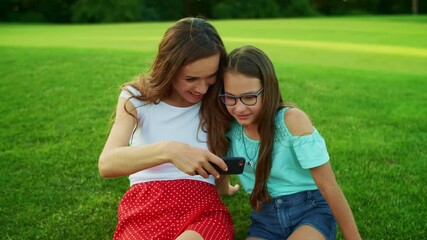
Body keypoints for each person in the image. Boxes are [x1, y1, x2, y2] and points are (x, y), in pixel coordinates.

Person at [98, 17, 238, 240]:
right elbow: (107, 163)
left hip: (202, 208)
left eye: (210, 77)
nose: (202, 88)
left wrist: (223, 185)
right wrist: (170, 151)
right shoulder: (136, 98)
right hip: (146, 205)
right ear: (169, 68)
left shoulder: (218, 99)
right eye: (191, 78)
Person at [205, 45, 361, 240]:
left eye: (249, 97)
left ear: (268, 90)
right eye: (230, 97)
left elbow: (328, 186)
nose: (239, 108)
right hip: (265, 220)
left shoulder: (291, 121)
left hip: (310, 212)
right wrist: (225, 188)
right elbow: (224, 164)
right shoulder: (230, 128)